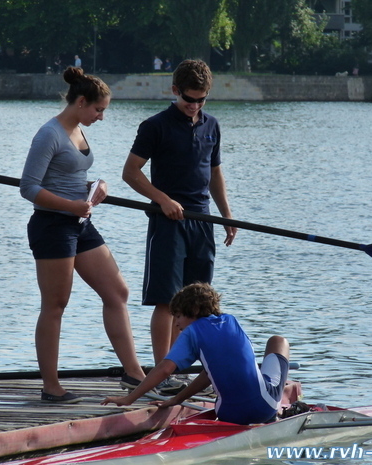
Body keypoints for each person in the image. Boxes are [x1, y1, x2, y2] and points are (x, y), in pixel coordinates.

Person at [20, 67, 146, 403]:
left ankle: (134, 374)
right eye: (98, 109)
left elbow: (70, 175)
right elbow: (29, 187)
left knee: (117, 291)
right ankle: (51, 386)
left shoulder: (77, 129)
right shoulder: (49, 134)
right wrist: (71, 206)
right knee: (56, 305)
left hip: (79, 224)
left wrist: (95, 186)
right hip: (52, 226)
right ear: (80, 102)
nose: (101, 117)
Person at [122, 59, 237, 394]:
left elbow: (215, 174)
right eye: (189, 99)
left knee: (197, 304)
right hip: (168, 222)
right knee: (166, 300)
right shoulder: (154, 126)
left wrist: (226, 215)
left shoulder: (212, 126)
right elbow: (130, 172)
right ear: (175, 91)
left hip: (202, 221)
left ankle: (186, 367)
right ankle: (162, 374)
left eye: (202, 100)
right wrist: (163, 199)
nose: (195, 106)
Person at [102, 283, 290, 425]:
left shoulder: (191, 332)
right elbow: (211, 371)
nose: (175, 323)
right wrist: (177, 399)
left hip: (227, 415)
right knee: (278, 341)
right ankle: (275, 414)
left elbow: (165, 369)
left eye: (177, 315)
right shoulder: (231, 320)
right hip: (264, 408)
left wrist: (130, 398)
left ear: (194, 310)